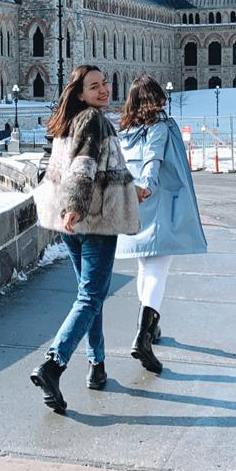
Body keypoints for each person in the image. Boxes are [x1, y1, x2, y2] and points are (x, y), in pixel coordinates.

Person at [31, 65, 141, 413]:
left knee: (88, 298)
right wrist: (76, 207)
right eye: (94, 86)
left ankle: (97, 366)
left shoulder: (71, 121)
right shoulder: (93, 120)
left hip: (73, 223)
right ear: (80, 94)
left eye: (105, 83)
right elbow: (82, 168)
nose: (103, 90)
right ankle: (54, 363)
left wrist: (129, 187)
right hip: (91, 220)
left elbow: (91, 167)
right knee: (91, 296)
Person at [116, 75, 207, 374]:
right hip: (153, 201)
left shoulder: (125, 131)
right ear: (153, 100)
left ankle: (150, 329)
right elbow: (152, 160)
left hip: (133, 202)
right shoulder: (158, 128)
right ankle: (143, 336)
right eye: (159, 96)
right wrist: (147, 186)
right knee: (158, 269)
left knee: (145, 266)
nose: (164, 101)